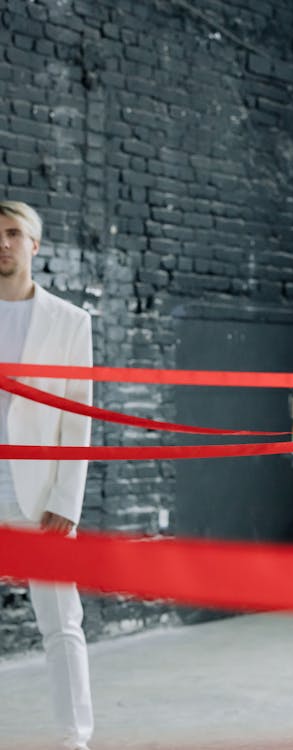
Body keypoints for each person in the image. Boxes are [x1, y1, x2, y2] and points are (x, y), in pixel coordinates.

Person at [0, 201, 95, 750]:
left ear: (35, 245)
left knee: (62, 625)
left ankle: (73, 738)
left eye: (15, 233)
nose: (4, 243)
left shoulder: (70, 321)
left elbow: (79, 416)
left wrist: (68, 499)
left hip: (42, 498)